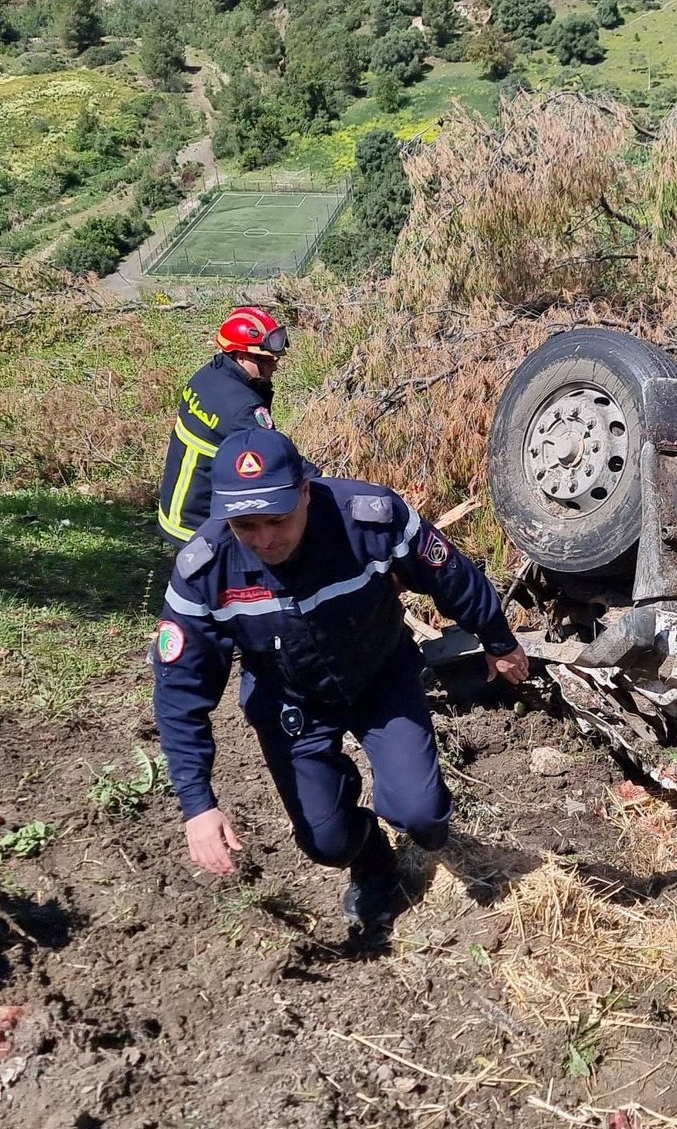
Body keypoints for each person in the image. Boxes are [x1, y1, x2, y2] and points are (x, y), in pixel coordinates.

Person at [151, 428, 530, 924]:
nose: (264, 539)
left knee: (423, 816)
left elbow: (449, 574)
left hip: (381, 679)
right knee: (327, 844)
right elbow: (180, 692)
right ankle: (374, 860)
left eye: (278, 519)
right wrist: (198, 804)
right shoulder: (205, 570)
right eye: (245, 525)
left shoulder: (369, 518)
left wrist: (498, 640)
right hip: (291, 701)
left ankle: (419, 822)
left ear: (306, 490)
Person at [156, 307, 290, 548]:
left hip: (177, 507)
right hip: (198, 523)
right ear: (240, 356)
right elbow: (277, 457)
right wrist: (325, 482)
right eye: (265, 359)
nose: (274, 366)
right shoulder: (241, 408)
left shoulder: (209, 375)